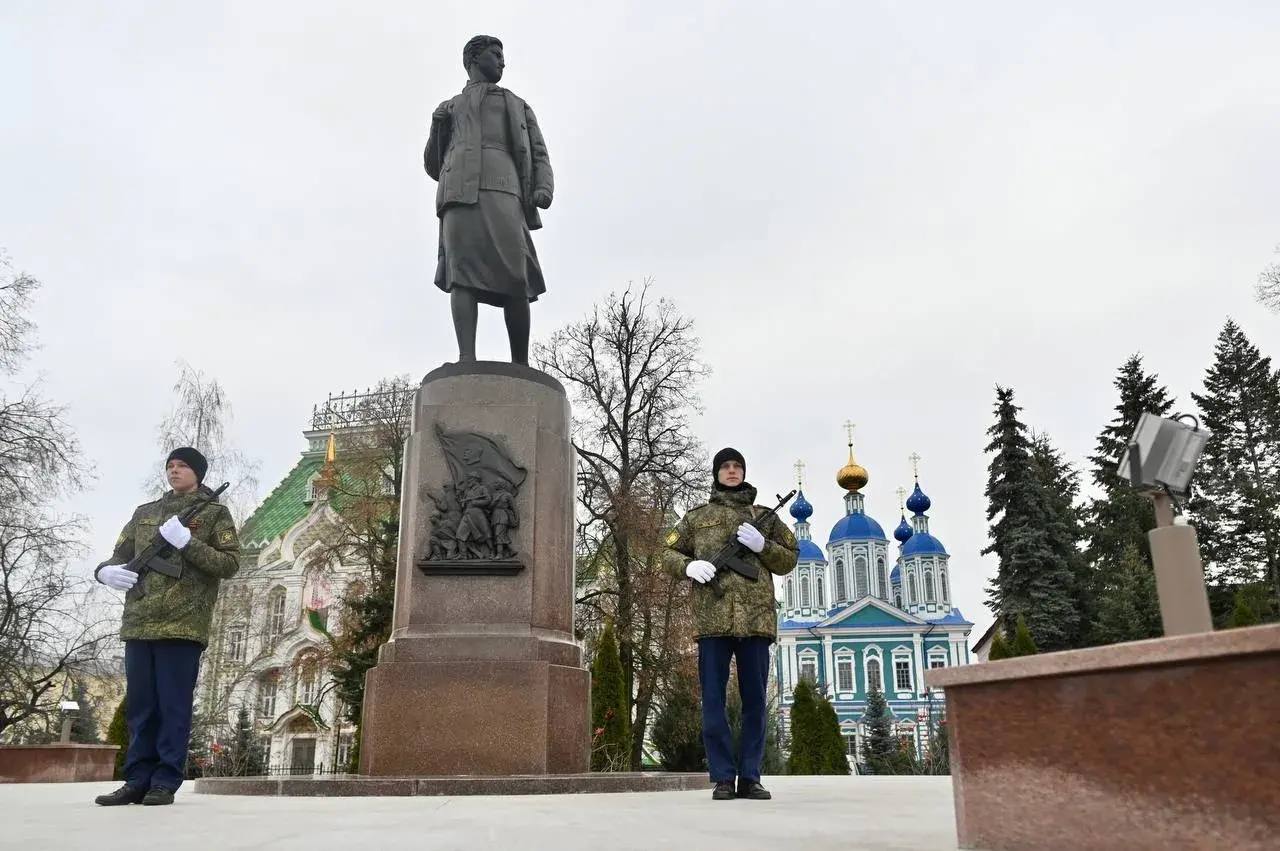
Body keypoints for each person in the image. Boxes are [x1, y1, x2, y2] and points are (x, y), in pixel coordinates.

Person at [92, 448, 240, 807]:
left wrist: (187, 543)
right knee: (141, 707)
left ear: (198, 473)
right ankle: (136, 779)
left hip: (184, 624)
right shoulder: (145, 514)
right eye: (170, 466)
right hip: (140, 621)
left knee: (173, 706)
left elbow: (229, 563)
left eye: (183, 466)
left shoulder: (214, 514)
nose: (174, 471)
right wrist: (104, 571)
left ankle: (165, 781)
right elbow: (120, 554)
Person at [663, 448, 798, 800]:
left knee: (755, 701)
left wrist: (763, 545)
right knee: (713, 701)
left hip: (755, 620)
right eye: (726, 466)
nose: (733, 471)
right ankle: (723, 777)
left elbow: (789, 559)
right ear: (716, 473)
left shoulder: (764, 516)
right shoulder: (696, 518)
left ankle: (750, 777)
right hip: (713, 620)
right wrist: (688, 567)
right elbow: (668, 553)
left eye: (738, 466)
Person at [424, 34, 554, 365]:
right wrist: (436, 129)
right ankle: (466, 356)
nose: (502, 61)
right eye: (495, 54)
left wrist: (543, 186)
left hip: (505, 189)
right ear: (474, 59)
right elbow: (433, 165)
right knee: (461, 273)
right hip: (459, 193)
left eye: (502, 55)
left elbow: (538, 150)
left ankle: (520, 362)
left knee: (515, 274)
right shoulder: (450, 107)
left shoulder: (516, 104)